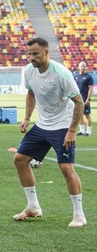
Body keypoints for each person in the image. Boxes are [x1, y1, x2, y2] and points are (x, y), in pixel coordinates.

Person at [12, 37, 86, 228]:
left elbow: (79, 102)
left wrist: (71, 130)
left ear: (46, 52)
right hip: (42, 125)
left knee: (66, 168)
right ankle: (33, 206)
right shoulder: (29, 71)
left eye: (35, 54)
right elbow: (31, 93)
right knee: (20, 159)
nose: (31, 58)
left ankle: (79, 215)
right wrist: (27, 118)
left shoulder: (61, 73)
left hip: (62, 126)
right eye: (29, 54)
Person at [74, 61, 93, 136]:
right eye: (81, 66)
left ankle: (89, 131)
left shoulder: (89, 77)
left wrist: (88, 99)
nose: (82, 67)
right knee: (79, 115)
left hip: (85, 99)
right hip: (78, 99)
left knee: (87, 115)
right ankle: (81, 130)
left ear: (86, 67)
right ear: (78, 67)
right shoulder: (76, 76)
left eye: (84, 66)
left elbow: (90, 89)